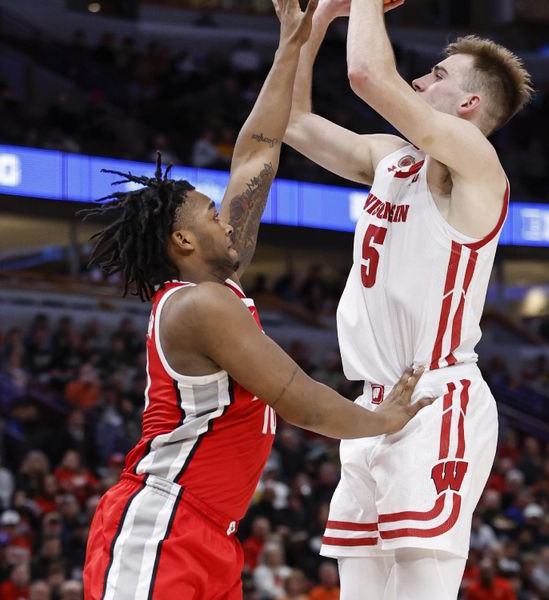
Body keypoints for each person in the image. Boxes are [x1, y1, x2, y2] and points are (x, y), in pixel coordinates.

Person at [81, 0, 433, 598]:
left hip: (212, 534)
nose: (228, 221)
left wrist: (294, 42)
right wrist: (382, 421)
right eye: (213, 215)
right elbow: (300, 400)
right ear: (184, 240)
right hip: (161, 521)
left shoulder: (217, 287)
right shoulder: (198, 307)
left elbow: (258, 151)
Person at [283, 0, 534, 597]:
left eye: (438, 76)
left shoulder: (477, 166)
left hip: (435, 399)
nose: (420, 80)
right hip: (369, 406)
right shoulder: (390, 158)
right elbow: (290, 121)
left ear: (469, 104)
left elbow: (368, 75)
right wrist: (314, 25)